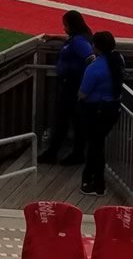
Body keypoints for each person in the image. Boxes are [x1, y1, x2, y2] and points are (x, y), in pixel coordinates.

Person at [40, 11, 94, 164]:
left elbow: (90, 58)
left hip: (73, 87)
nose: (64, 28)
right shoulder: (78, 38)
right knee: (71, 121)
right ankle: (63, 152)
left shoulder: (78, 42)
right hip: (72, 86)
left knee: (66, 121)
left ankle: (58, 153)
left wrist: (85, 84)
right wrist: (54, 37)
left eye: (65, 25)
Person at [77, 31, 125, 196]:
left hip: (95, 111)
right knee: (97, 145)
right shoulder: (118, 60)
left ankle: (96, 183)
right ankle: (94, 181)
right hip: (112, 109)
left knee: (95, 147)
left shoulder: (94, 68)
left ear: (96, 47)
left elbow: (82, 93)